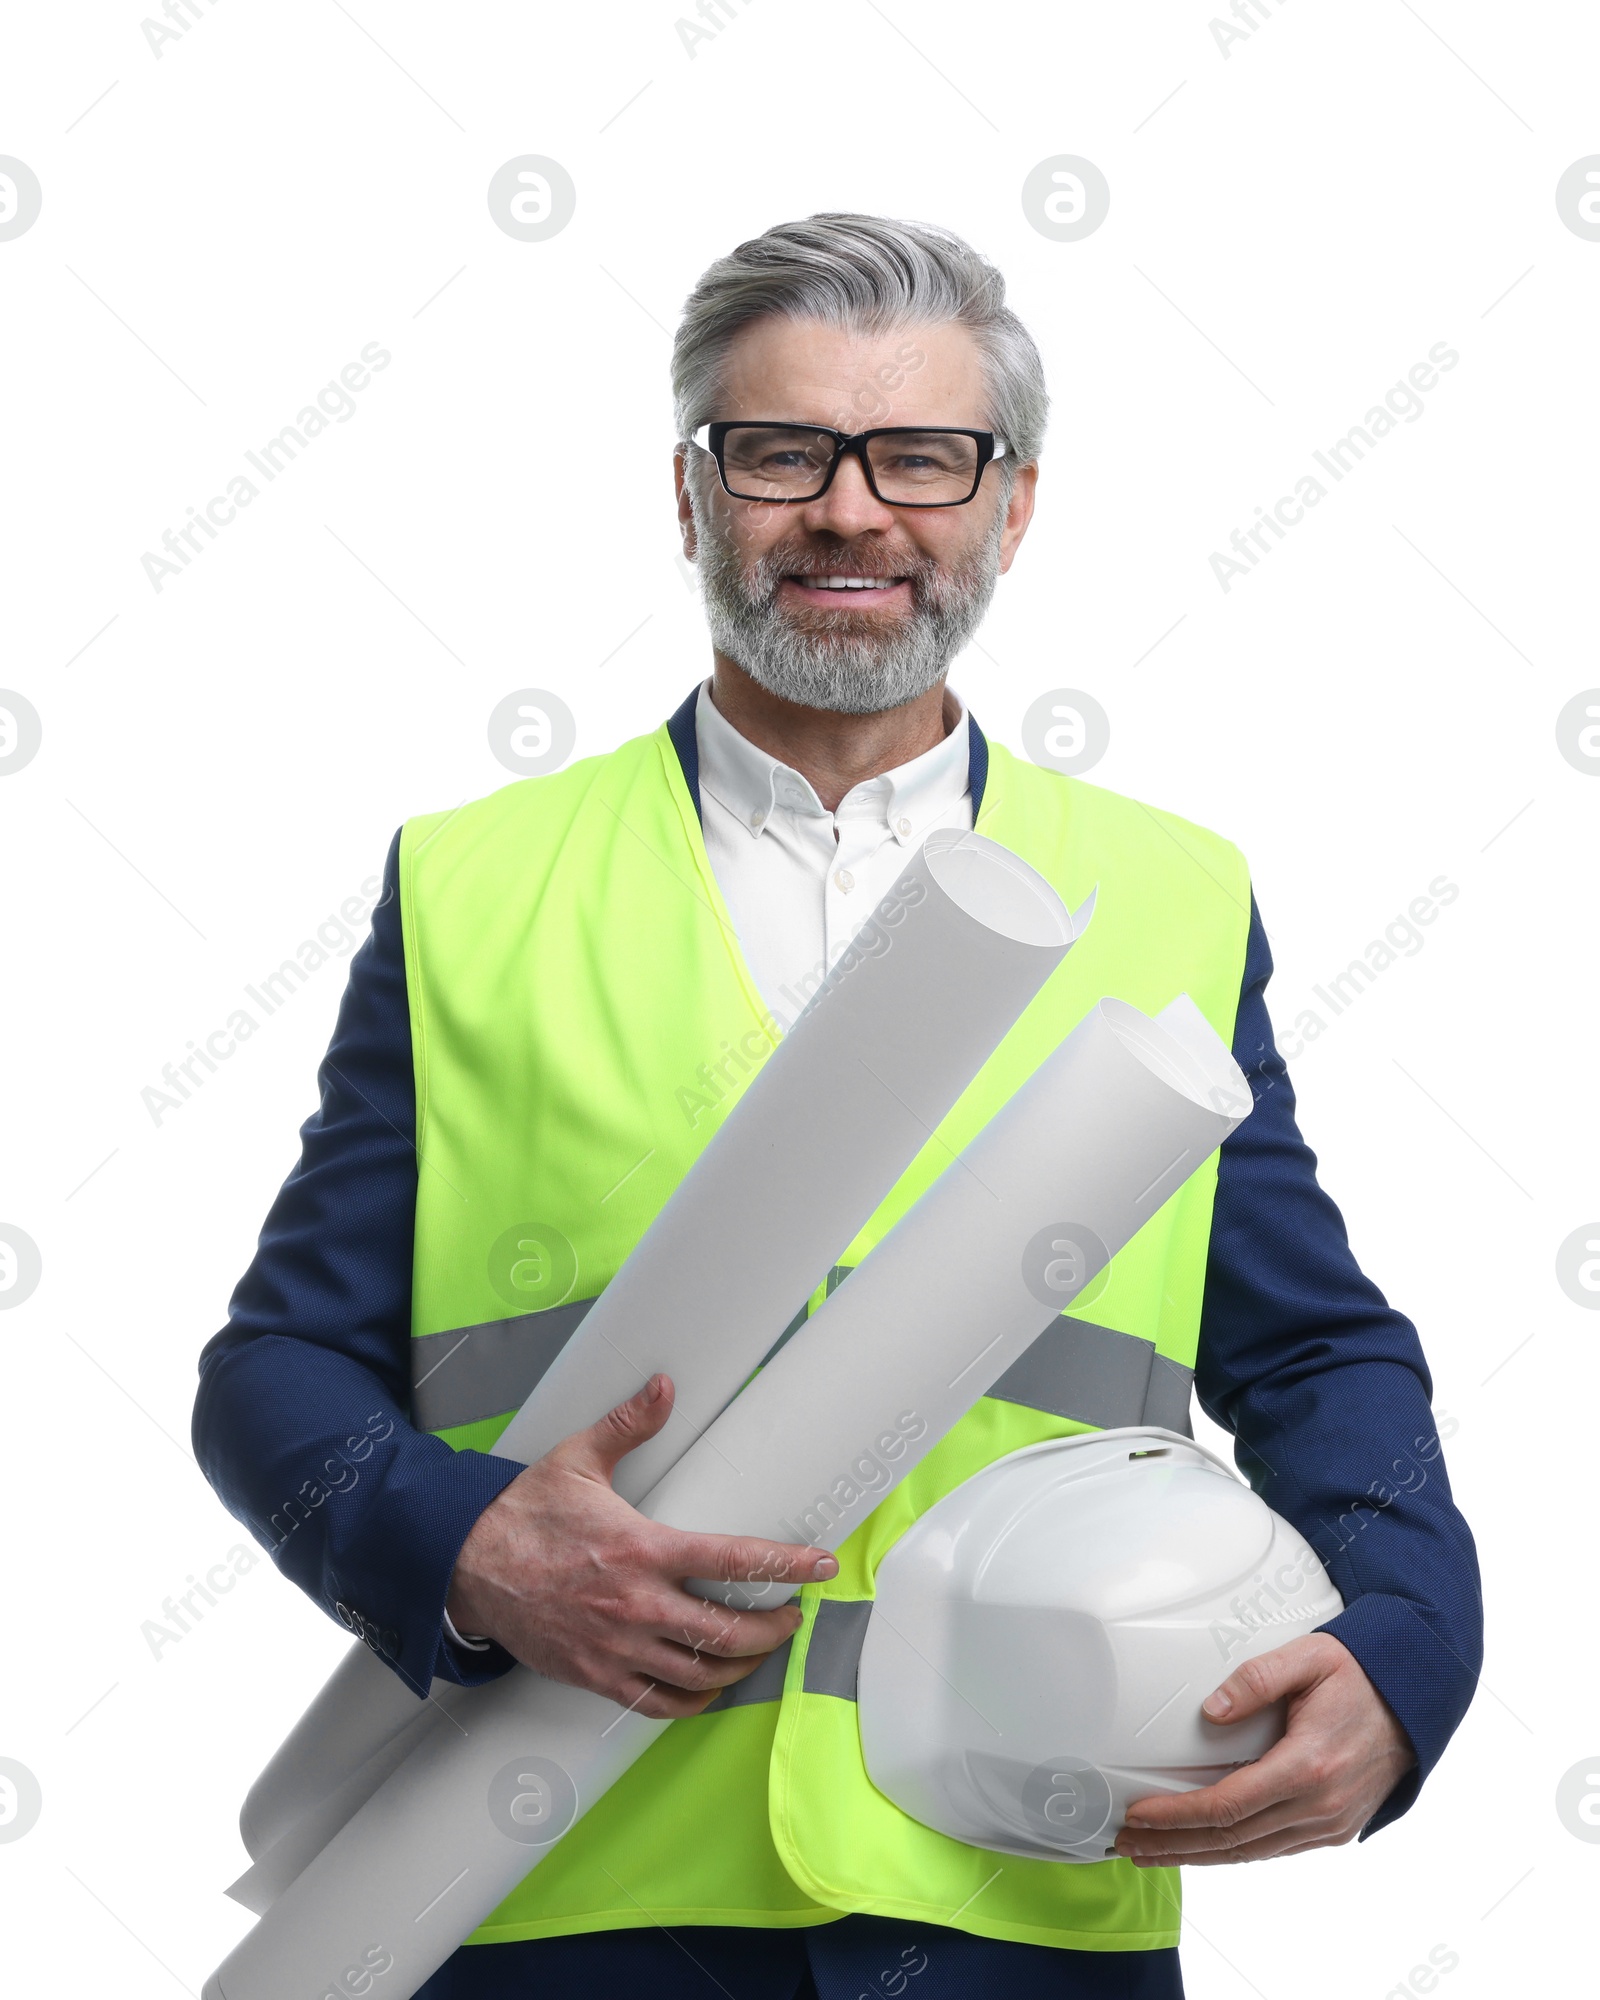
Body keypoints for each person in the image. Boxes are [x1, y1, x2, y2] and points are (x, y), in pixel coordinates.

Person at [194, 214, 1482, 2000]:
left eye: (924, 457)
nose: (853, 512)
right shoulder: (477, 890)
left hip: (1021, 1889)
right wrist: (467, 1544)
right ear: (694, 494)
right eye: (782, 451)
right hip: (561, 1878)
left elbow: (1321, 1354)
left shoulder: (1170, 896)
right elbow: (275, 1371)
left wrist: (1406, 1650)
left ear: (1011, 505)